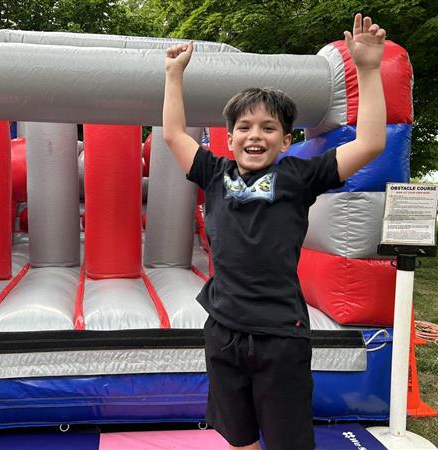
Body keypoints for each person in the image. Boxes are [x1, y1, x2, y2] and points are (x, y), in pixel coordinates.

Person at [162, 13, 386, 450]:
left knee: (287, 439)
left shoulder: (300, 177)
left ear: (286, 141)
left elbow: (371, 143)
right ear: (228, 138)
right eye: (244, 127)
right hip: (223, 330)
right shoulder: (212, 172)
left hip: (281, 337)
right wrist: (174, 75)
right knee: (238, 433)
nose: (255, 135)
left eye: (269, 128)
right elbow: (172, 133)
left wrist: (368, 70)